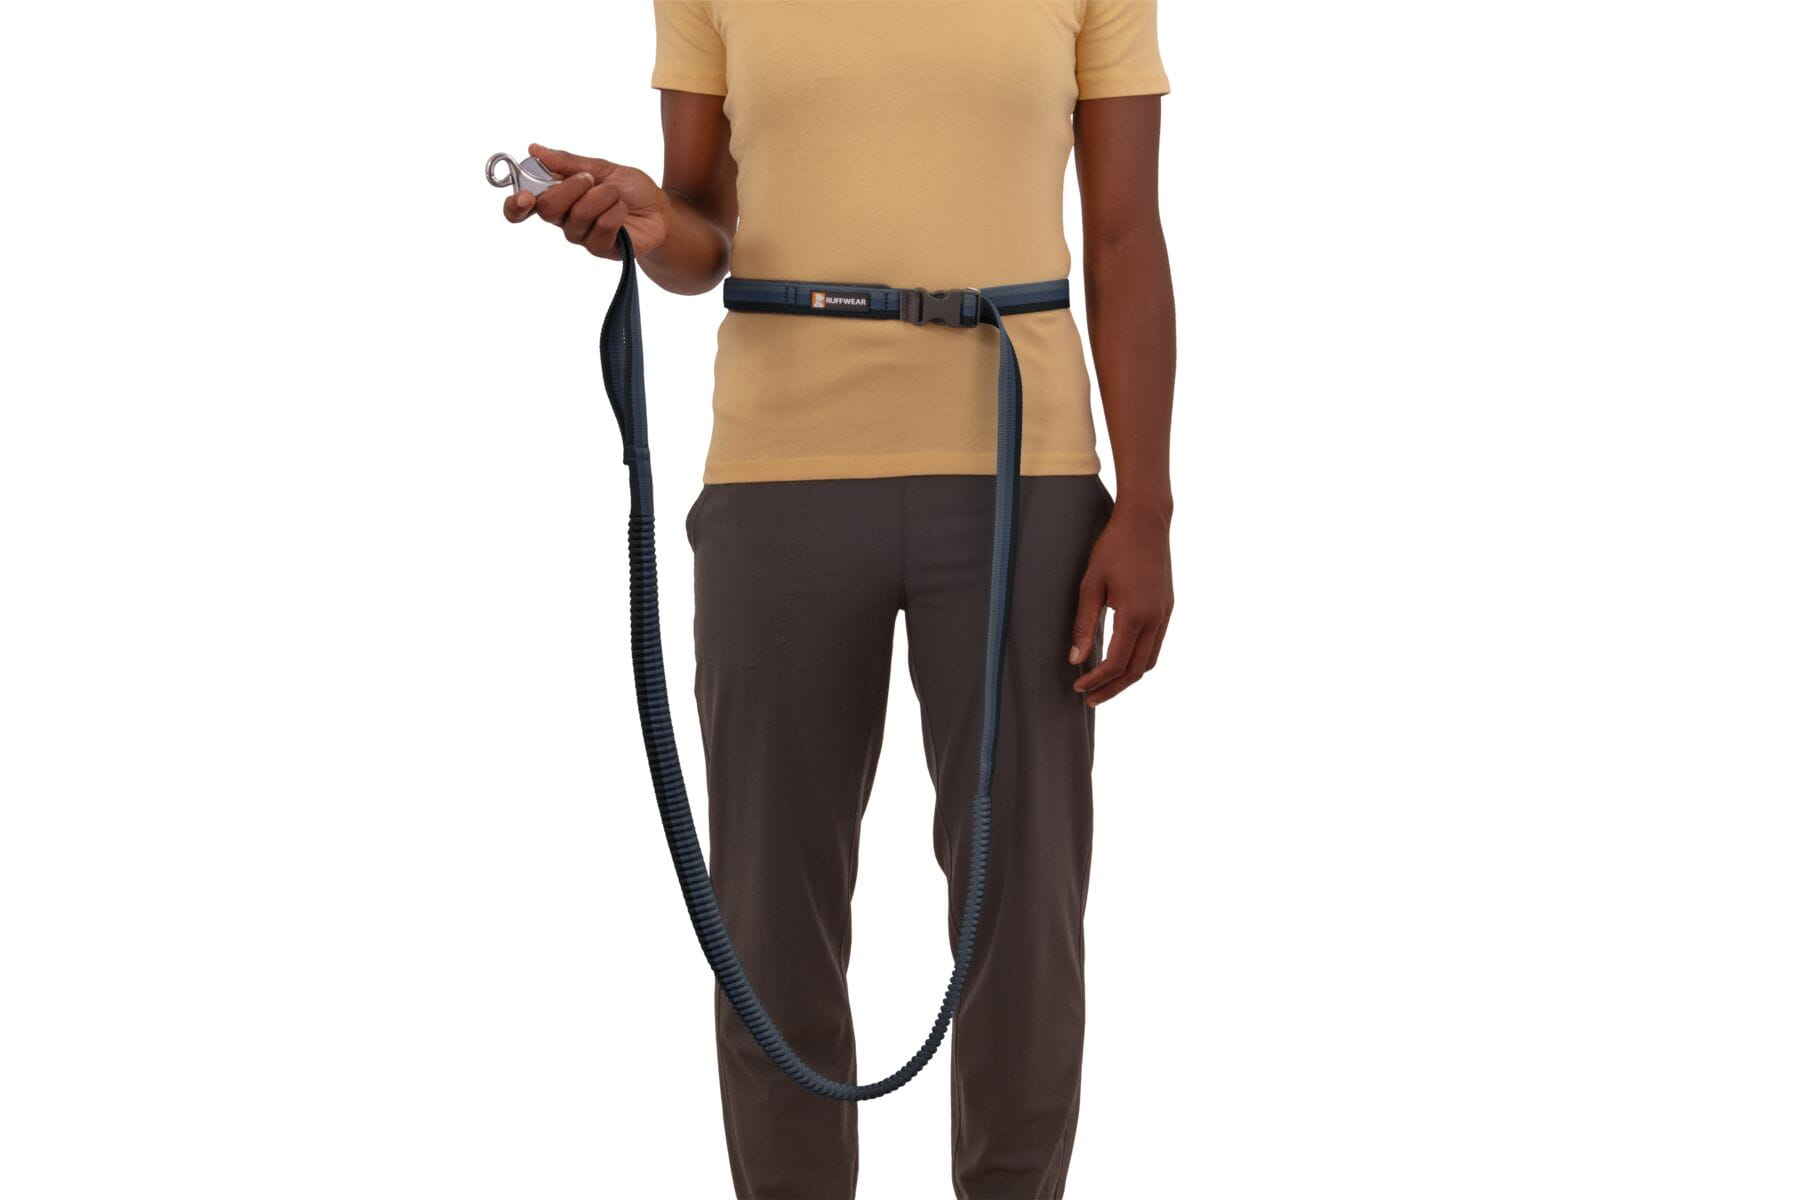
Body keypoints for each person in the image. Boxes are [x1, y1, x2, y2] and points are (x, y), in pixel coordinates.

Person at [501, 2, 1174, 1195]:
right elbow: (705, 232)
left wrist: (1148, 508)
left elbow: (1123, 236)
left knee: (1023, 918)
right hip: (778, 477)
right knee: (767, 929)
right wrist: (648, 220)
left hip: (1023, 475)